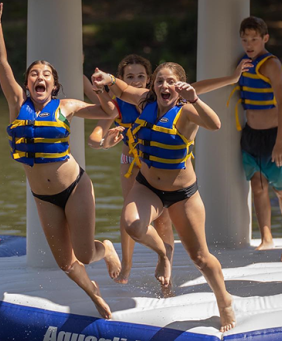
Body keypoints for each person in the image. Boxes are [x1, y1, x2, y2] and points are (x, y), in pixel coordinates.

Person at [0, 0, 121, 319]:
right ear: (27, 84)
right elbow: (2, 64)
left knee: (86, 255)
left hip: (74, 187)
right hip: (43, 196)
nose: (39, 78)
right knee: (65, 262)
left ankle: (108, 248)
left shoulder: (67, 106)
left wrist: (100, 87)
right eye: (34, 74)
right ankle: (96, 296)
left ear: (55, 85)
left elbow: (110, 111)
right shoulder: (18, 104)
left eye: (46, 75)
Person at [84, 55, 251, 292]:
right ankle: (142, 261)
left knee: (186, 244)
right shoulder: (132, 102)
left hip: (176, 183)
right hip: (139, 170)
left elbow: (212, 119)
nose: (164, 86)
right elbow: (117, 96)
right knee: (131, 221)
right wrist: (108, 80)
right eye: (159, 81)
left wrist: (222, 84)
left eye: (142, 76)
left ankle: (210, 292)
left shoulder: (183, 106)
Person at [229, 16, 282, 262]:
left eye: (254, 39)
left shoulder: (270, 64)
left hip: (272, 135)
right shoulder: (243, 62)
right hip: (251, 133)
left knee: (281, 187)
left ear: (265, 38)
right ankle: (266, 238)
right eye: (245, 39)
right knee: (256, 185)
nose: (249, 44)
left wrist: (280, 141)